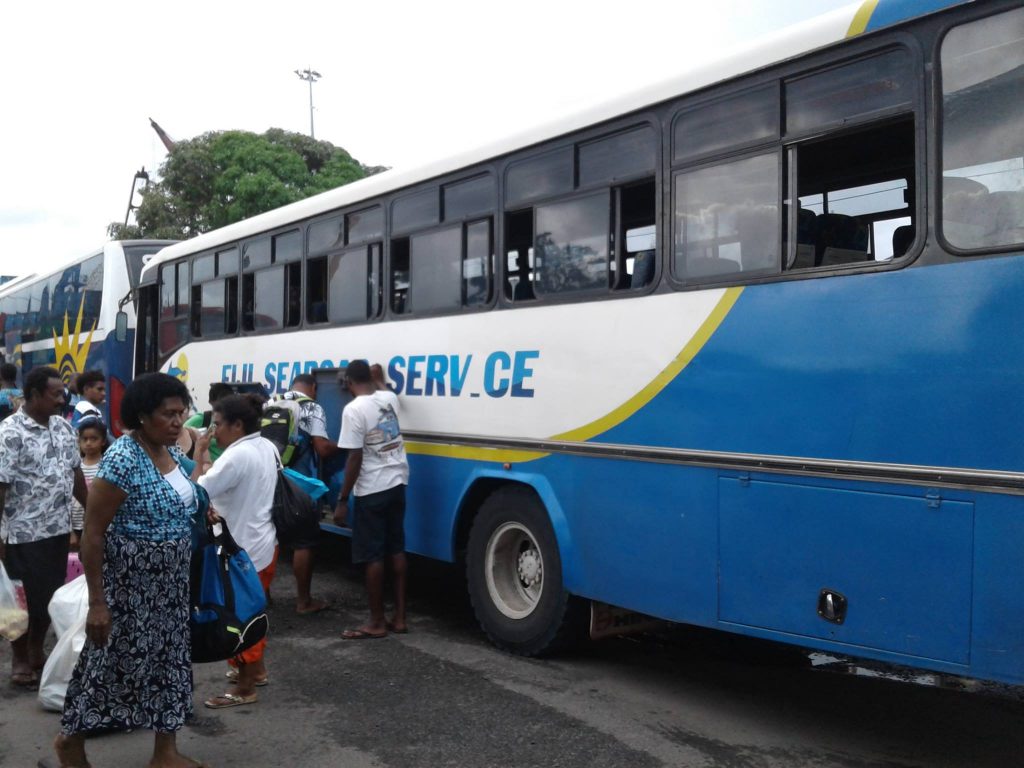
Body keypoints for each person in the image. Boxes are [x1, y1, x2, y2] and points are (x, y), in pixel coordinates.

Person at [50, 372, 211, 768]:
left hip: (169, 590)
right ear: (142, 415)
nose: (177, 423)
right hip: (129, 591)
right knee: (110, 668)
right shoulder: (123, 457)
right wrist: (98, 603)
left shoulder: (170, 452)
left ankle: (165, 751)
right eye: (167, 414)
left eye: (181, 414)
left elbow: (184, 495)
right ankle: (70, 740)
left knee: (169, 665)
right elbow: (92, 531)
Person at [0, 366, 87, 687]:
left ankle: (37, 649)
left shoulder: (64, 428)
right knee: (22, 600)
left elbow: (76, 474)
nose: (62, 399)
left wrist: (93, 513)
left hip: (57, 532)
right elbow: (1, 485)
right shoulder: (9, 432)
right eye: (55, 394)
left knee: (48, 597)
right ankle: (20, 657)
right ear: (34, 395)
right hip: (21, 535)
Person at [193, 394, 279, 709]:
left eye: (217, 424)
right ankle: (256, 672)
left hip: (240, 549)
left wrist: (199, 451)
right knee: (253, 611)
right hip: (264, 543)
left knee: (238, 616)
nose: (213, 431)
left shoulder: (237, 455)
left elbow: (198, 491)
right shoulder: (266, 446)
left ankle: (244, 688)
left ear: (237, 424)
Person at [333, 360, 410, 639]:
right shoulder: (388, 398)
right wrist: (379, 379)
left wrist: (342, 500)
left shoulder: (353, 409)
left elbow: (354, 457)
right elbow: (384, 388)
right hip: (398, 482)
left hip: (372, 489)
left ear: (350, 383)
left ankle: (376, 621)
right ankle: (399, 618)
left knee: (372, 555)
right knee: (396, 549)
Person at [276, 373, 341, 615]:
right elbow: (323, 449)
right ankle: (303, 601)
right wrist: (346, 444)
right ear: (313, 388)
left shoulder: (272, 403)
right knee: (303, 541)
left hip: (270, 478)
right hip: (300, 485)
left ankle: (264, 596)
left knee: (269, 537)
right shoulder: (311, 407)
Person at [68, 416, 110, 548]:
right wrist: (70, 532)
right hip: (76, 525)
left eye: (94, 439)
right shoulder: (75, 467)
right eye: (84, 439)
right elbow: (66, 498)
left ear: (103, 441)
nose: (88, 443)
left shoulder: (107, 466)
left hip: (99, 526)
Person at [183, 382, 234, 465]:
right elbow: (181, 433)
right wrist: (197, 436)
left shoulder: (236, 423)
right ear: (211, 402)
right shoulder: (202, 419)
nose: (223, 407)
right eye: (220, 403)